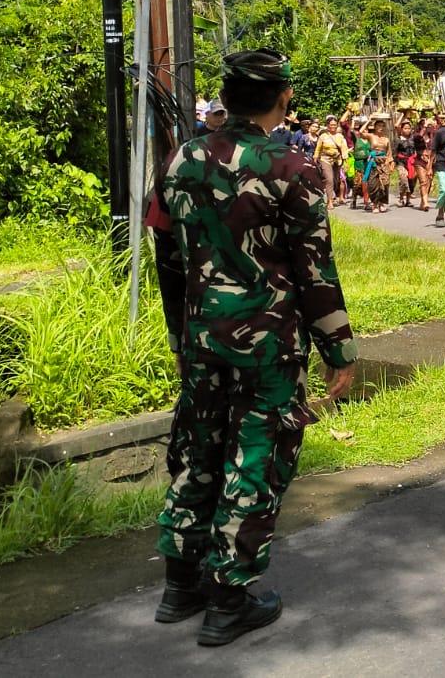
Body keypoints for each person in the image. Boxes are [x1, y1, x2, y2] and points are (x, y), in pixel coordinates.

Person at [147, 48, 356, 646]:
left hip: (201, 338)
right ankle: (228, 599)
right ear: (282, 95)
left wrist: (179, 334)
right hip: (268, 345)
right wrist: (337, 350)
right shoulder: (292, 166)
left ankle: (179, 586)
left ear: (228, 93)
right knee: (255, 458)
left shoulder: (182, 157)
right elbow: (314, 270)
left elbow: (166, 253)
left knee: (197, 450)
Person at [313, 116, 349, 209]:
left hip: (337, 160)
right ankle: (329, 201)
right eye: (331, 124)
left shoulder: (340, 136)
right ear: (328, 125)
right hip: (325, 159)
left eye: (335, 124)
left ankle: (333, 196)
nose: (333, 126)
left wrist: (346, 162)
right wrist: (315, 159)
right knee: (329, 179)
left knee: (336, 181)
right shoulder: (323, 136)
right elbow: (318, 149)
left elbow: (344, 149)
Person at [361, 117, 392, 213]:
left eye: (383, 126)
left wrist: (389, 162)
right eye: (379, 125)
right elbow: (361, 132)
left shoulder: (386, 139)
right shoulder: (371, 136)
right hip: (373, 162)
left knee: (384, 184)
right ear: (374, 127)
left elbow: (389, 152)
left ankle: (381, 203)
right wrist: (369, 120)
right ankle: (374, 204)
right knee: (373, 184)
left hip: (383, 162)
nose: (381, 128)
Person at [394, 119, 418, 208]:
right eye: (405, 128)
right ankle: (401, 198)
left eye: (409, 128)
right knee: (403, 178)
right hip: (402, 162)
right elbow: (395, 151)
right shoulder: (398, 139)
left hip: (412, 162)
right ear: (401, 129)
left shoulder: (413, 138)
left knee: (411, 180)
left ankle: (408, 200)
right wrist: (394, 162)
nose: (407, 130)